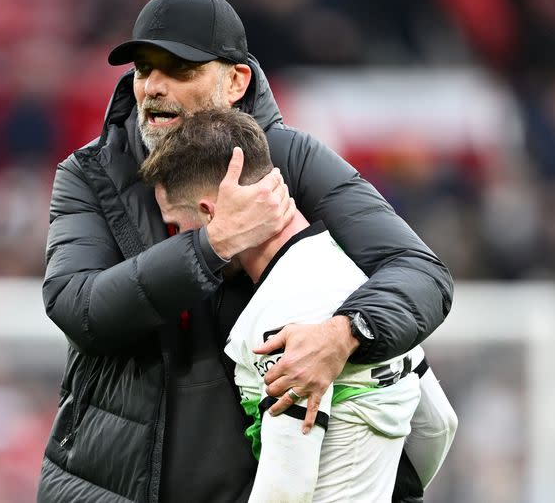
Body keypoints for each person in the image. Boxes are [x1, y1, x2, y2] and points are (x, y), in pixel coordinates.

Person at [38, 0, 454, 503]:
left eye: (179, 70)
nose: (153, 88)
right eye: (144, 70)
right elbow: (76, 307)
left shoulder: (292, 160)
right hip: (112, 488)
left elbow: (421, 273)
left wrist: (346, 333)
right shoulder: (92, 173)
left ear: (236, 81)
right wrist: (210, 247)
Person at [141, 108, 453, 502]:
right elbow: (440, 425)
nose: (179, 243)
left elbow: (286, 489)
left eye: (178, 227)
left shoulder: (281, 320)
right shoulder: (358, 278)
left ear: (209, 212)